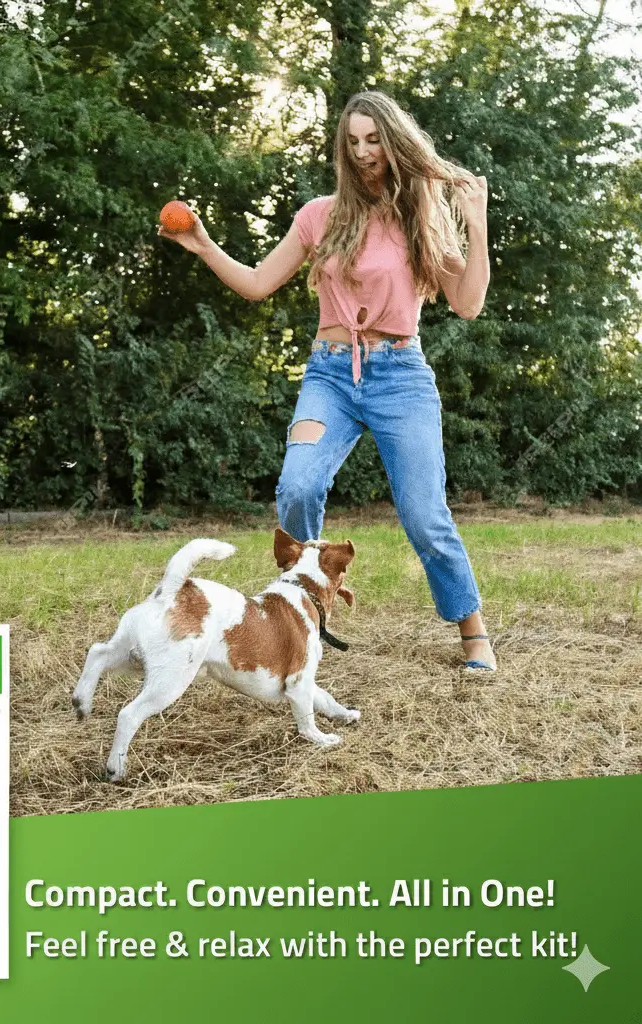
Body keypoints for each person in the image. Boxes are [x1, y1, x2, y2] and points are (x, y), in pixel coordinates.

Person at [157, 90, 496, 671]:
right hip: (331, 376)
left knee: (423, 514)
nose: (364, 152)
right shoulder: (321, 215)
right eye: (353, 141)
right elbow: (259, 283)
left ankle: (471, 628)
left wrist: (475, 220)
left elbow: (468, 304)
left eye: (374, 140)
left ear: (394, 143)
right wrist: (204, 243)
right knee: (297, 487)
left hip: (400, 378)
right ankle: (298, 609)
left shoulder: (419, 217)